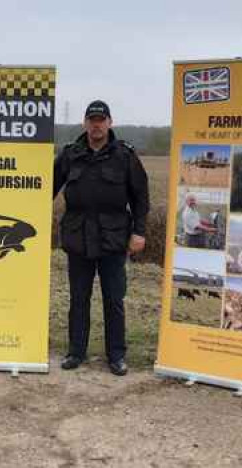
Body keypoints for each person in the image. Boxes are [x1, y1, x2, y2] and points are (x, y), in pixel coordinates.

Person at [52, 100, 150, 376]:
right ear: (85, 123)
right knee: (78, 298)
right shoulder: (71, 154)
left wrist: (139, 231)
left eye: (101, 120)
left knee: (113, 300)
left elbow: (141, 197)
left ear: (109, 123)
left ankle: (116, 355)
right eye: (92, 120)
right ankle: (76, 351)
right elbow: (46, 187)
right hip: (78, 237)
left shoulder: (125, 155)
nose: (96, 125)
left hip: (113, 239)